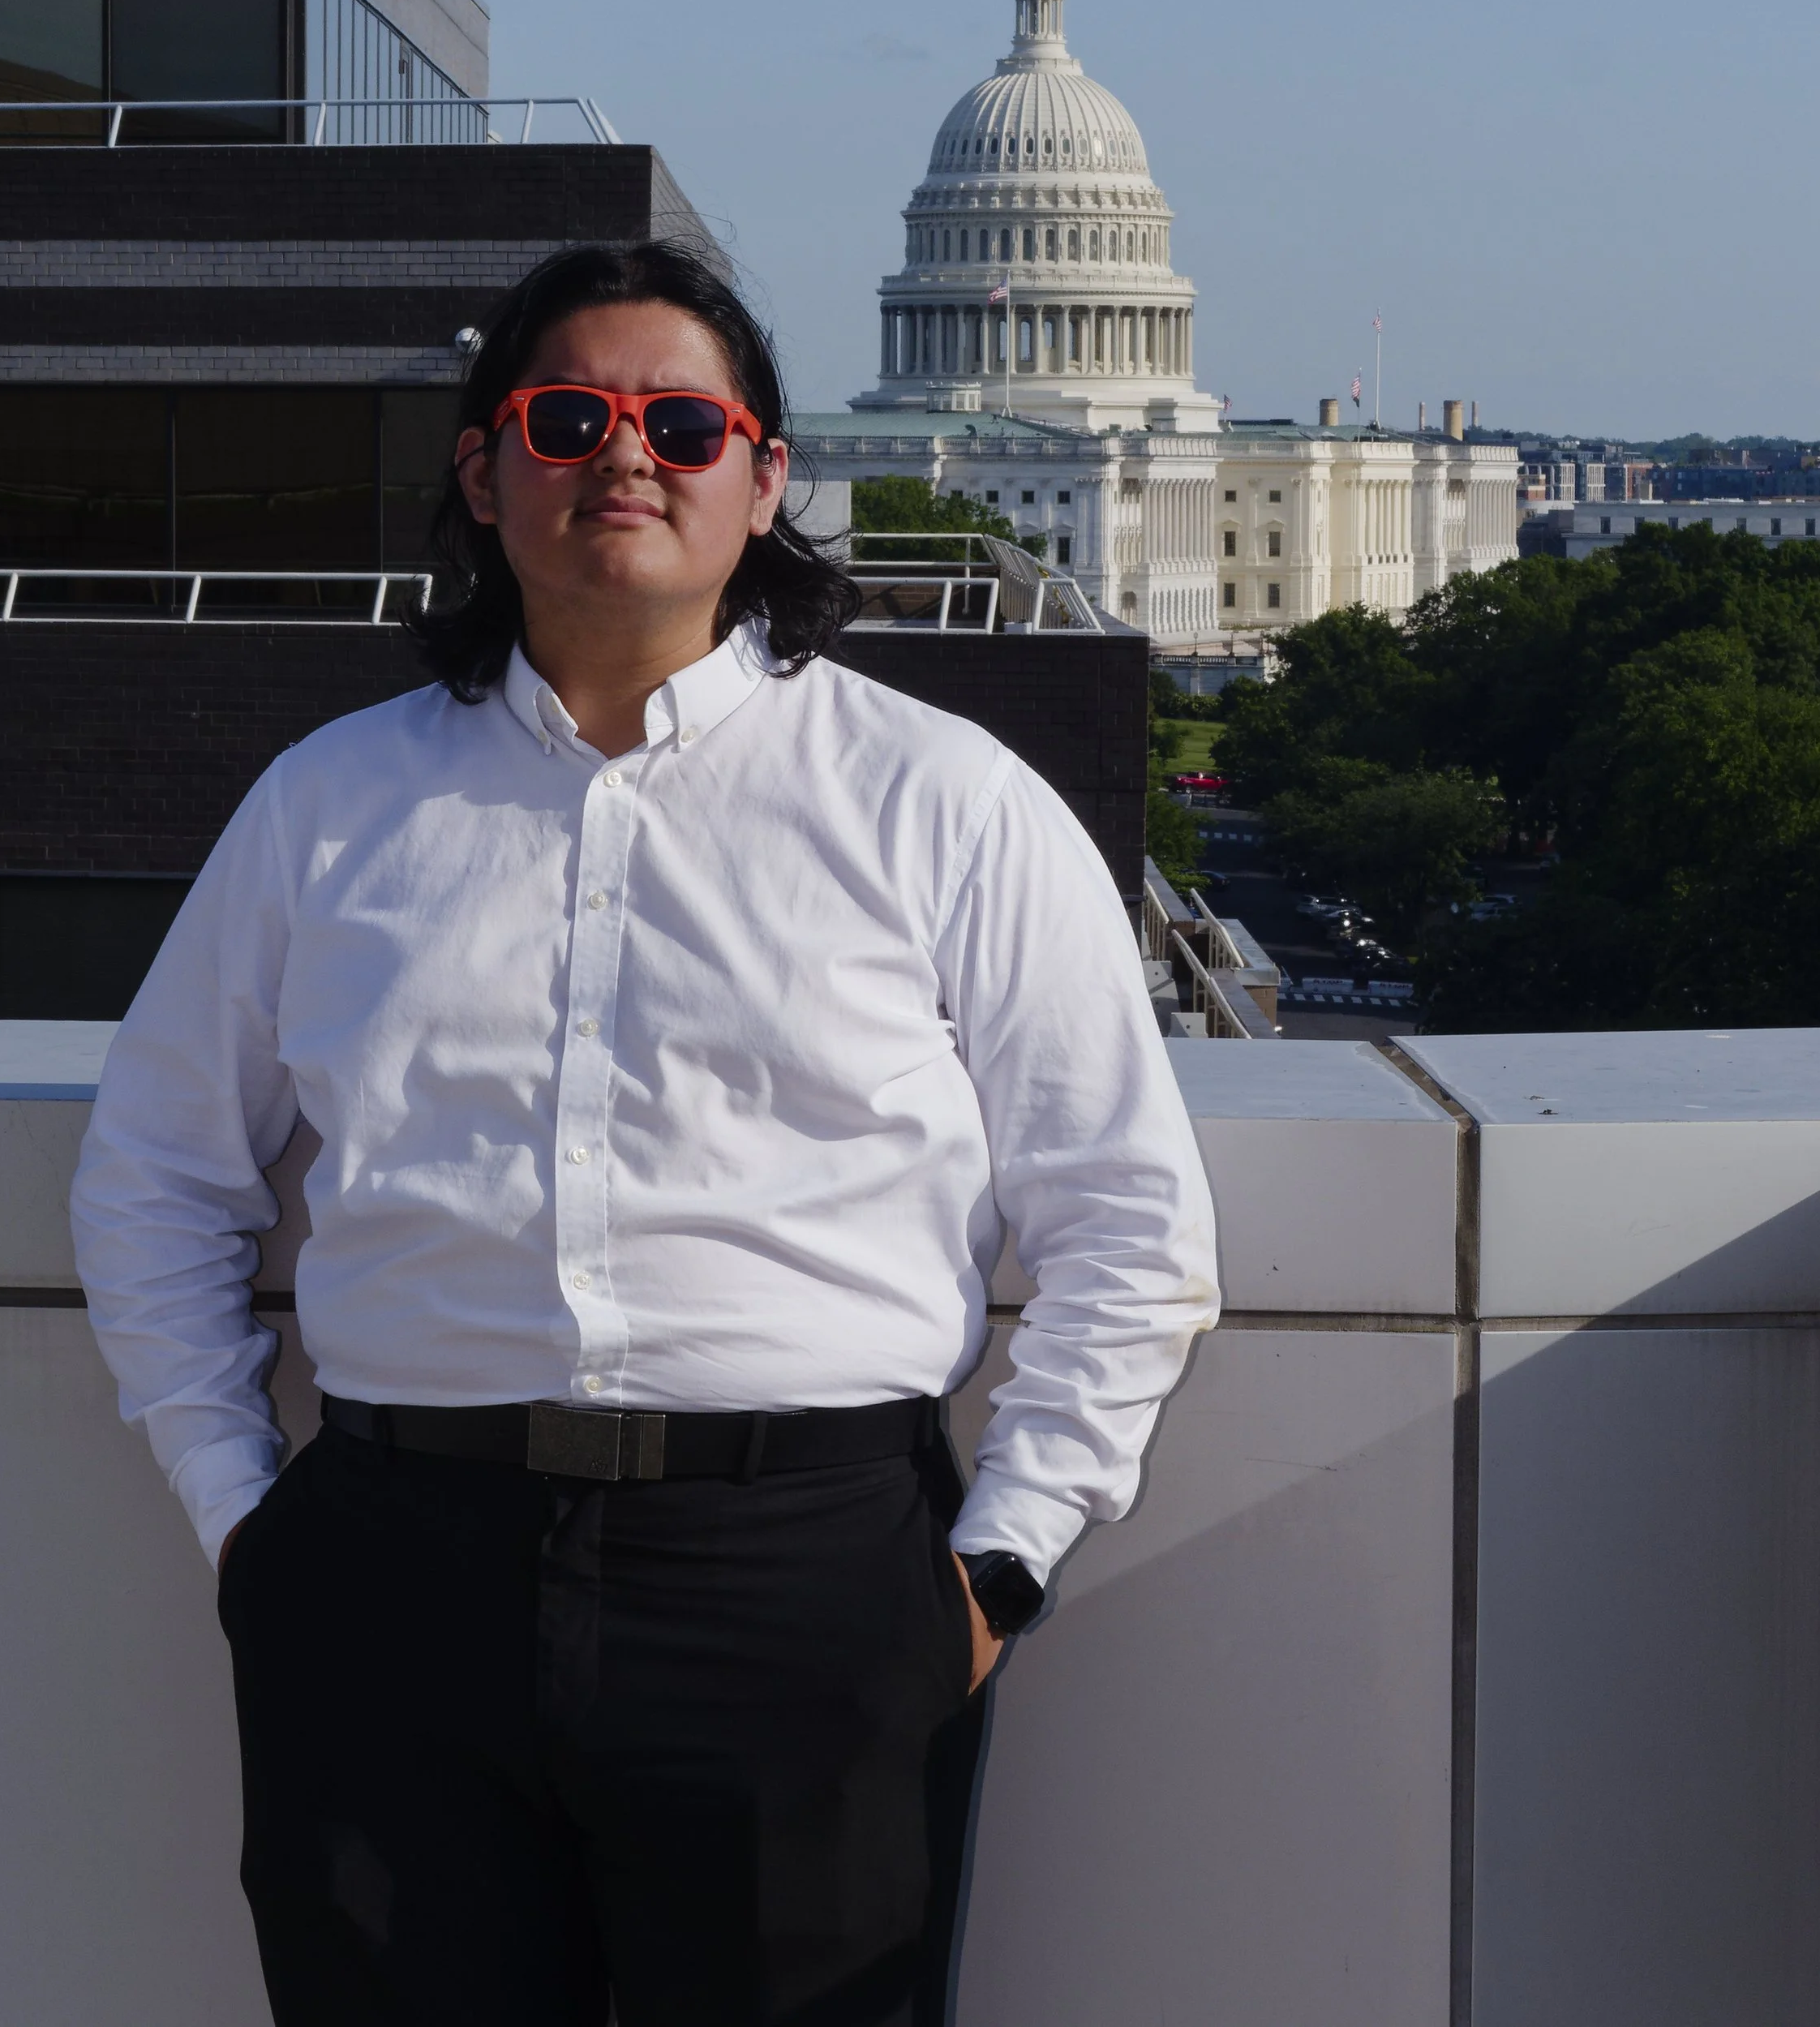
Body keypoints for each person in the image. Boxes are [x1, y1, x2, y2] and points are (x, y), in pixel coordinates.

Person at [71, 239, 1219, 2027]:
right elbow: (152, 1171)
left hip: (807, 1585)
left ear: (766, 477)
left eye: (683, 423)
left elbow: (1126, 1225)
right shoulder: (328, 807)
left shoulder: (944, 804)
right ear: (483, 468)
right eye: (568, 416)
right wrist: (248, 1527)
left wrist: (989, 1573)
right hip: (390, 1578)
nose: (627, 456)